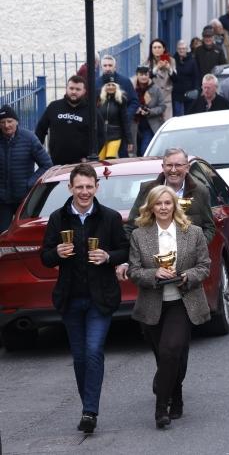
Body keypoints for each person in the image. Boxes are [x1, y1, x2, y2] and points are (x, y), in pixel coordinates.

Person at [40, 163, 129, 434]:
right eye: (79, 187)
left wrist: (108, 257)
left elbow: (125, 249)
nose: (84, 191)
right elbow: (44, 257)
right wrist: (57, 252)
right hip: (70, 298)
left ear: (97, 188)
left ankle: (90, 411)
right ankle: (87, 404)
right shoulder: (58, 218)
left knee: (93, 352)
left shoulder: (110, 217)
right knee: (79, 357)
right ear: (70, 188)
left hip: (100, 299)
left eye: (89, 187)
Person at [127, 185, 211, 428]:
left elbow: (205, 266)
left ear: (175, 205)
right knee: (167, 357)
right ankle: (177, 395)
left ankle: (160, 408)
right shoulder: (139, 235)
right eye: (158, 203)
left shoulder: (192, 232)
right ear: (151, 207)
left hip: (183, 302)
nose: (163, 207)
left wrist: (186, 276)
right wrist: (155, 273)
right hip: (153, 304)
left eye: (167, 203)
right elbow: (134, 271)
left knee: (170, 350)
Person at [0, 105, 52, 232]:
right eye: (2, 122)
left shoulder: (29, 138)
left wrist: (30, 183)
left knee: (24, 233)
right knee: (3, 234)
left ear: (17, 121)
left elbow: (47, 165)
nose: (6, 125)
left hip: (24, 197)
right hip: (2, 200)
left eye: (10, 121)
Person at [35, 75, 105, 165]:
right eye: (71, 88)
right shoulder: (54, 106)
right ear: (66, 88)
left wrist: (90, 156)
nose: (74, 92)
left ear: (84, 91)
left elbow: (101, 136)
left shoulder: (92, 111)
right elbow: (40, 130)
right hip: (56, 163)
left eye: (78, 89)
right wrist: (39, 154)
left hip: (81, 164)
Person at [132, 66, 167, 155]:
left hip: (150, 125)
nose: (144, 77)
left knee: (145, 150)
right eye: (141, 75)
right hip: (135, 125)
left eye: (146, 74)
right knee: (135, 151)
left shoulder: (155, 89)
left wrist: (150, 111)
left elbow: (162, 106)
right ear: (137, 76)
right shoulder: (132, 89)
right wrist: (135, 110)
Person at [97, 81, 134, 160]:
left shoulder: (121, 100)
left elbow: (125, 121)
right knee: (100, 160)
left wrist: (129, 140)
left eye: (113, 85)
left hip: (115, 135)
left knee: (110, 158)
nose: (110, 87)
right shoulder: (100, 100)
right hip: (102, 136)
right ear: (104, 87)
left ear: (116, 87)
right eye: (108, 85)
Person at [146, 38, 176, 121]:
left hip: (167, 98)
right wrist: (156, 68)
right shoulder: (148, 63)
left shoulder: (171, 61)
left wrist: (169, 68)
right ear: (151, 50)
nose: (157, 50)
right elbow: (146, 80)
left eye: (159, 47)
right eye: (154, 48)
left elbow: (176, 79)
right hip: (154, 100)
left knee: (167, 124)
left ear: (164, 49)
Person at [173, 40, 202, 116]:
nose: (181, 50)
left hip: (189, 92)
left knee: (189, 114)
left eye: (183, 48)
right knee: (177, 115)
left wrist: (196, 90)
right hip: (177, 93)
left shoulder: (192, 61)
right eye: (179, 48)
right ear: (177, 49)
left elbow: (196, 77)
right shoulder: (173, 60)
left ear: (186, 49)